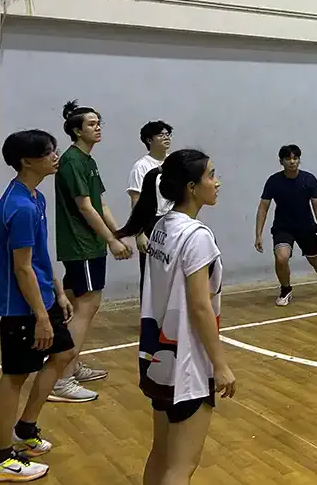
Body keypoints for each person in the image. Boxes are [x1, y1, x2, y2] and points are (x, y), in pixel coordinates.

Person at [114, 149, 237, 485]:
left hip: (158, 358)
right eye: (211, 175)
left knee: (161, 453)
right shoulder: (196, 237)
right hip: (186, 364)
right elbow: (200, 306)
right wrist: (220, 365)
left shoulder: (161, 227)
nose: (217, 182)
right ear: (192, 187)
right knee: (181, 467)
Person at [0, 130, 77, 483]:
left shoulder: (35, 197)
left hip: (43, 297)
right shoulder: (19, 207)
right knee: (15, 377)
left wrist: (59, 292)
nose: (55, 156)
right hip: (22, 307)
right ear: (26, 161)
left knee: (63, 354)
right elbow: (22, 268)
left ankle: (26, 426)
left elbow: (39, 256)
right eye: (48, 152)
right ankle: (0, 459)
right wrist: (41, 316)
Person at [50, 100, 133, 403]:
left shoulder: (88, 161)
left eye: (99, 123)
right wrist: (111, 241)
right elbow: (85, 207)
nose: (98, 128)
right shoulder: (72, 161)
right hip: (82, 246)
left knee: (74, 305)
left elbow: (101, 203)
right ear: (76, 130)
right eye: (91, 124)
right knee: (87, 306)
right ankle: (61, 379)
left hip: (91, 244)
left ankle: (70, 365)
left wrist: (119, 233)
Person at [254, 144, 317, 305]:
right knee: (281, 257)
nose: (292, 162)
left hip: (307, 228)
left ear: (299, 160)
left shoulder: (309, 179)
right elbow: (263, 207)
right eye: (288, 158)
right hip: (283, 228)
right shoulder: (273, 181)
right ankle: (286, 290)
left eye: (295, 158)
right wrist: (258, 235)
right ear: (281, 161)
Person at [127, 120, 175, 297]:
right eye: (161, 135)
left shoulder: (175, 162)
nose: (166, 138)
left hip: (174, 220)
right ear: (149, 140)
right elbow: (136, 200)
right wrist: (139, 233)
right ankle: (149, 311)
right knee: (151, 272)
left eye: (168, 134)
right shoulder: (141, 167)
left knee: (174, 269)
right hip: (151, 223)